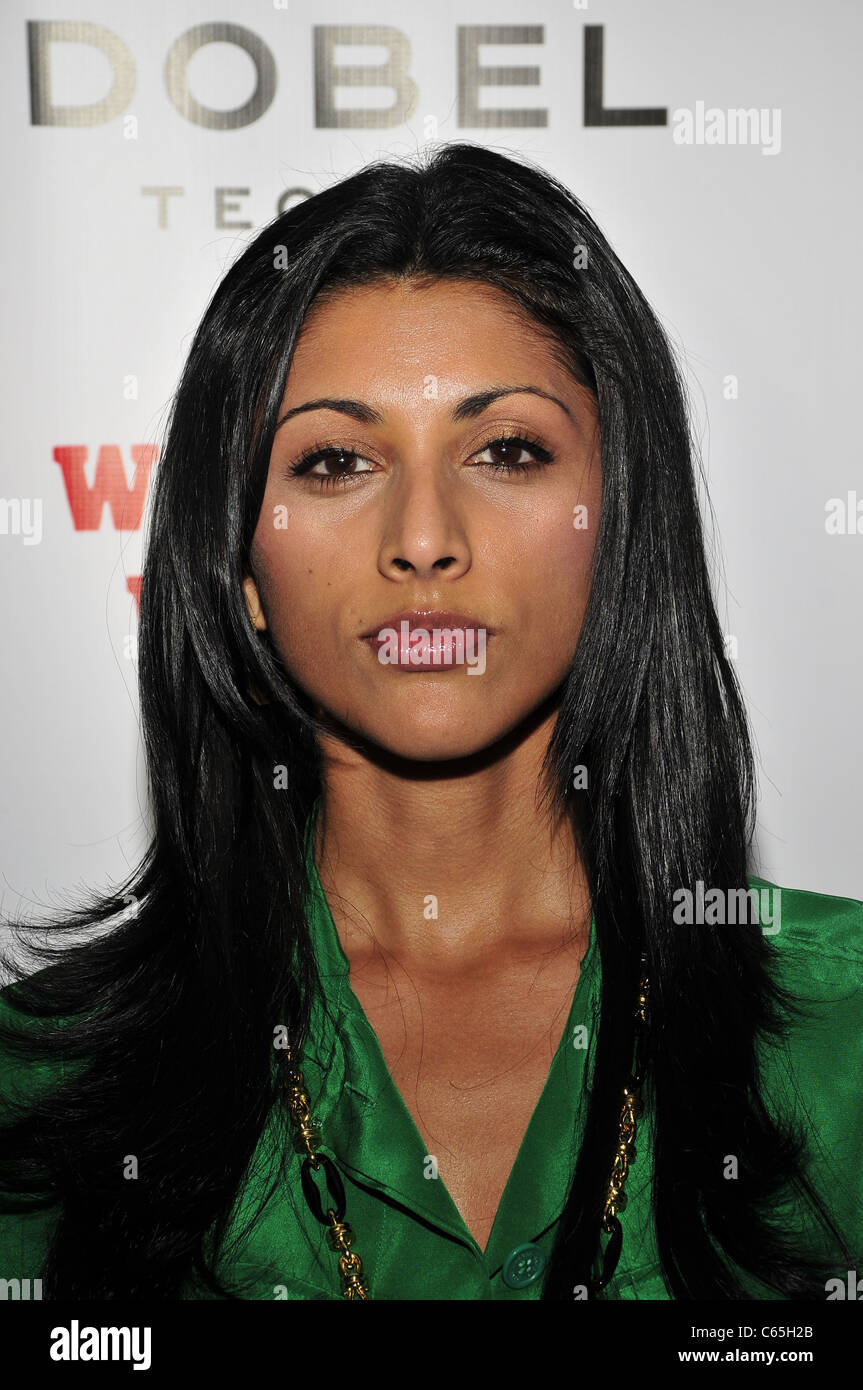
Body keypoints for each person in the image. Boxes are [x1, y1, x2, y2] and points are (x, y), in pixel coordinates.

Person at [0, 142, 860, 1301]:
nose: (421, 536)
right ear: (238, 561)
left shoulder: (841, 1035)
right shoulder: (39, 1084)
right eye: (337, 459)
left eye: (504, 449)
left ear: (613, 523)